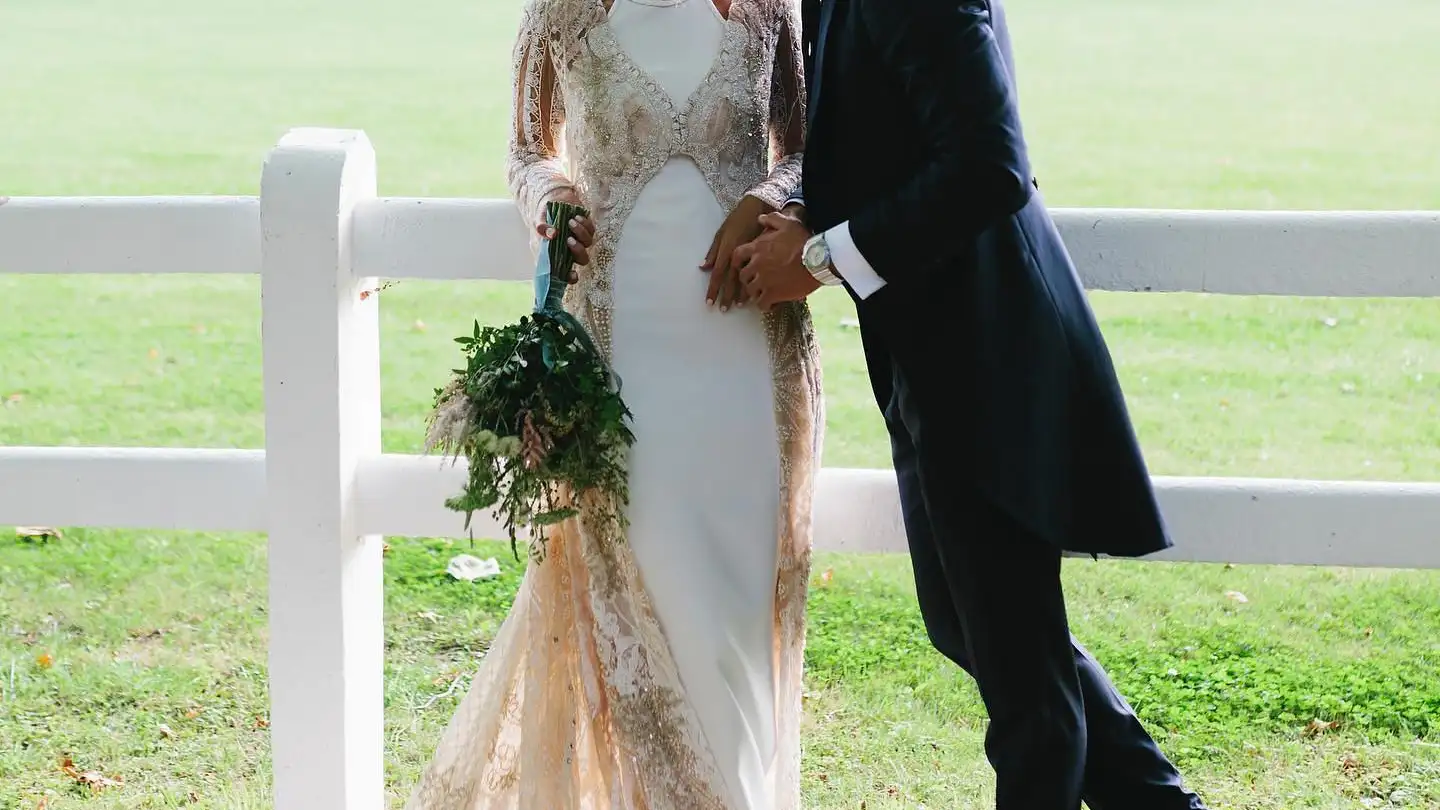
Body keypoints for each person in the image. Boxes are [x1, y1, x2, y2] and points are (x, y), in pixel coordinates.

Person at [732, 0, 1209, 807]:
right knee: (973, 628)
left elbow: (990, 164)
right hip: (930, 355)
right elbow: (879, 135)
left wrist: (818, 259)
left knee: (1026, 689)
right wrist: (794, 210)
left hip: (990, 352)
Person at [404, 0, 821, 808]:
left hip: (747, 360)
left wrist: (768, 196)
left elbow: (804, 151)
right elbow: (526, 149)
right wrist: (552, 197)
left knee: (737, 624)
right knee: (646, 600)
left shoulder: (773, 9)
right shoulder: (557, 11)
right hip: (622, 363)